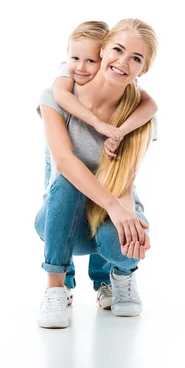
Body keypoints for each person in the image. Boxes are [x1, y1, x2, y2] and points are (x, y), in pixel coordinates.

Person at [35, 18, 158, 328]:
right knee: (68, 178)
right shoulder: (57, 96)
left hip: (112, 206)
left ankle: (121, 276)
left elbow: (124, 182)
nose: (123, 62)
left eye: (136, 58)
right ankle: (56, 289)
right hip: (64, 218)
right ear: (103, 51)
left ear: (142, 70)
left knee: (128, 238)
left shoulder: (139, 114)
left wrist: (127, 219)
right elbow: (63, 160)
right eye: (117, 50)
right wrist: (115, 207)